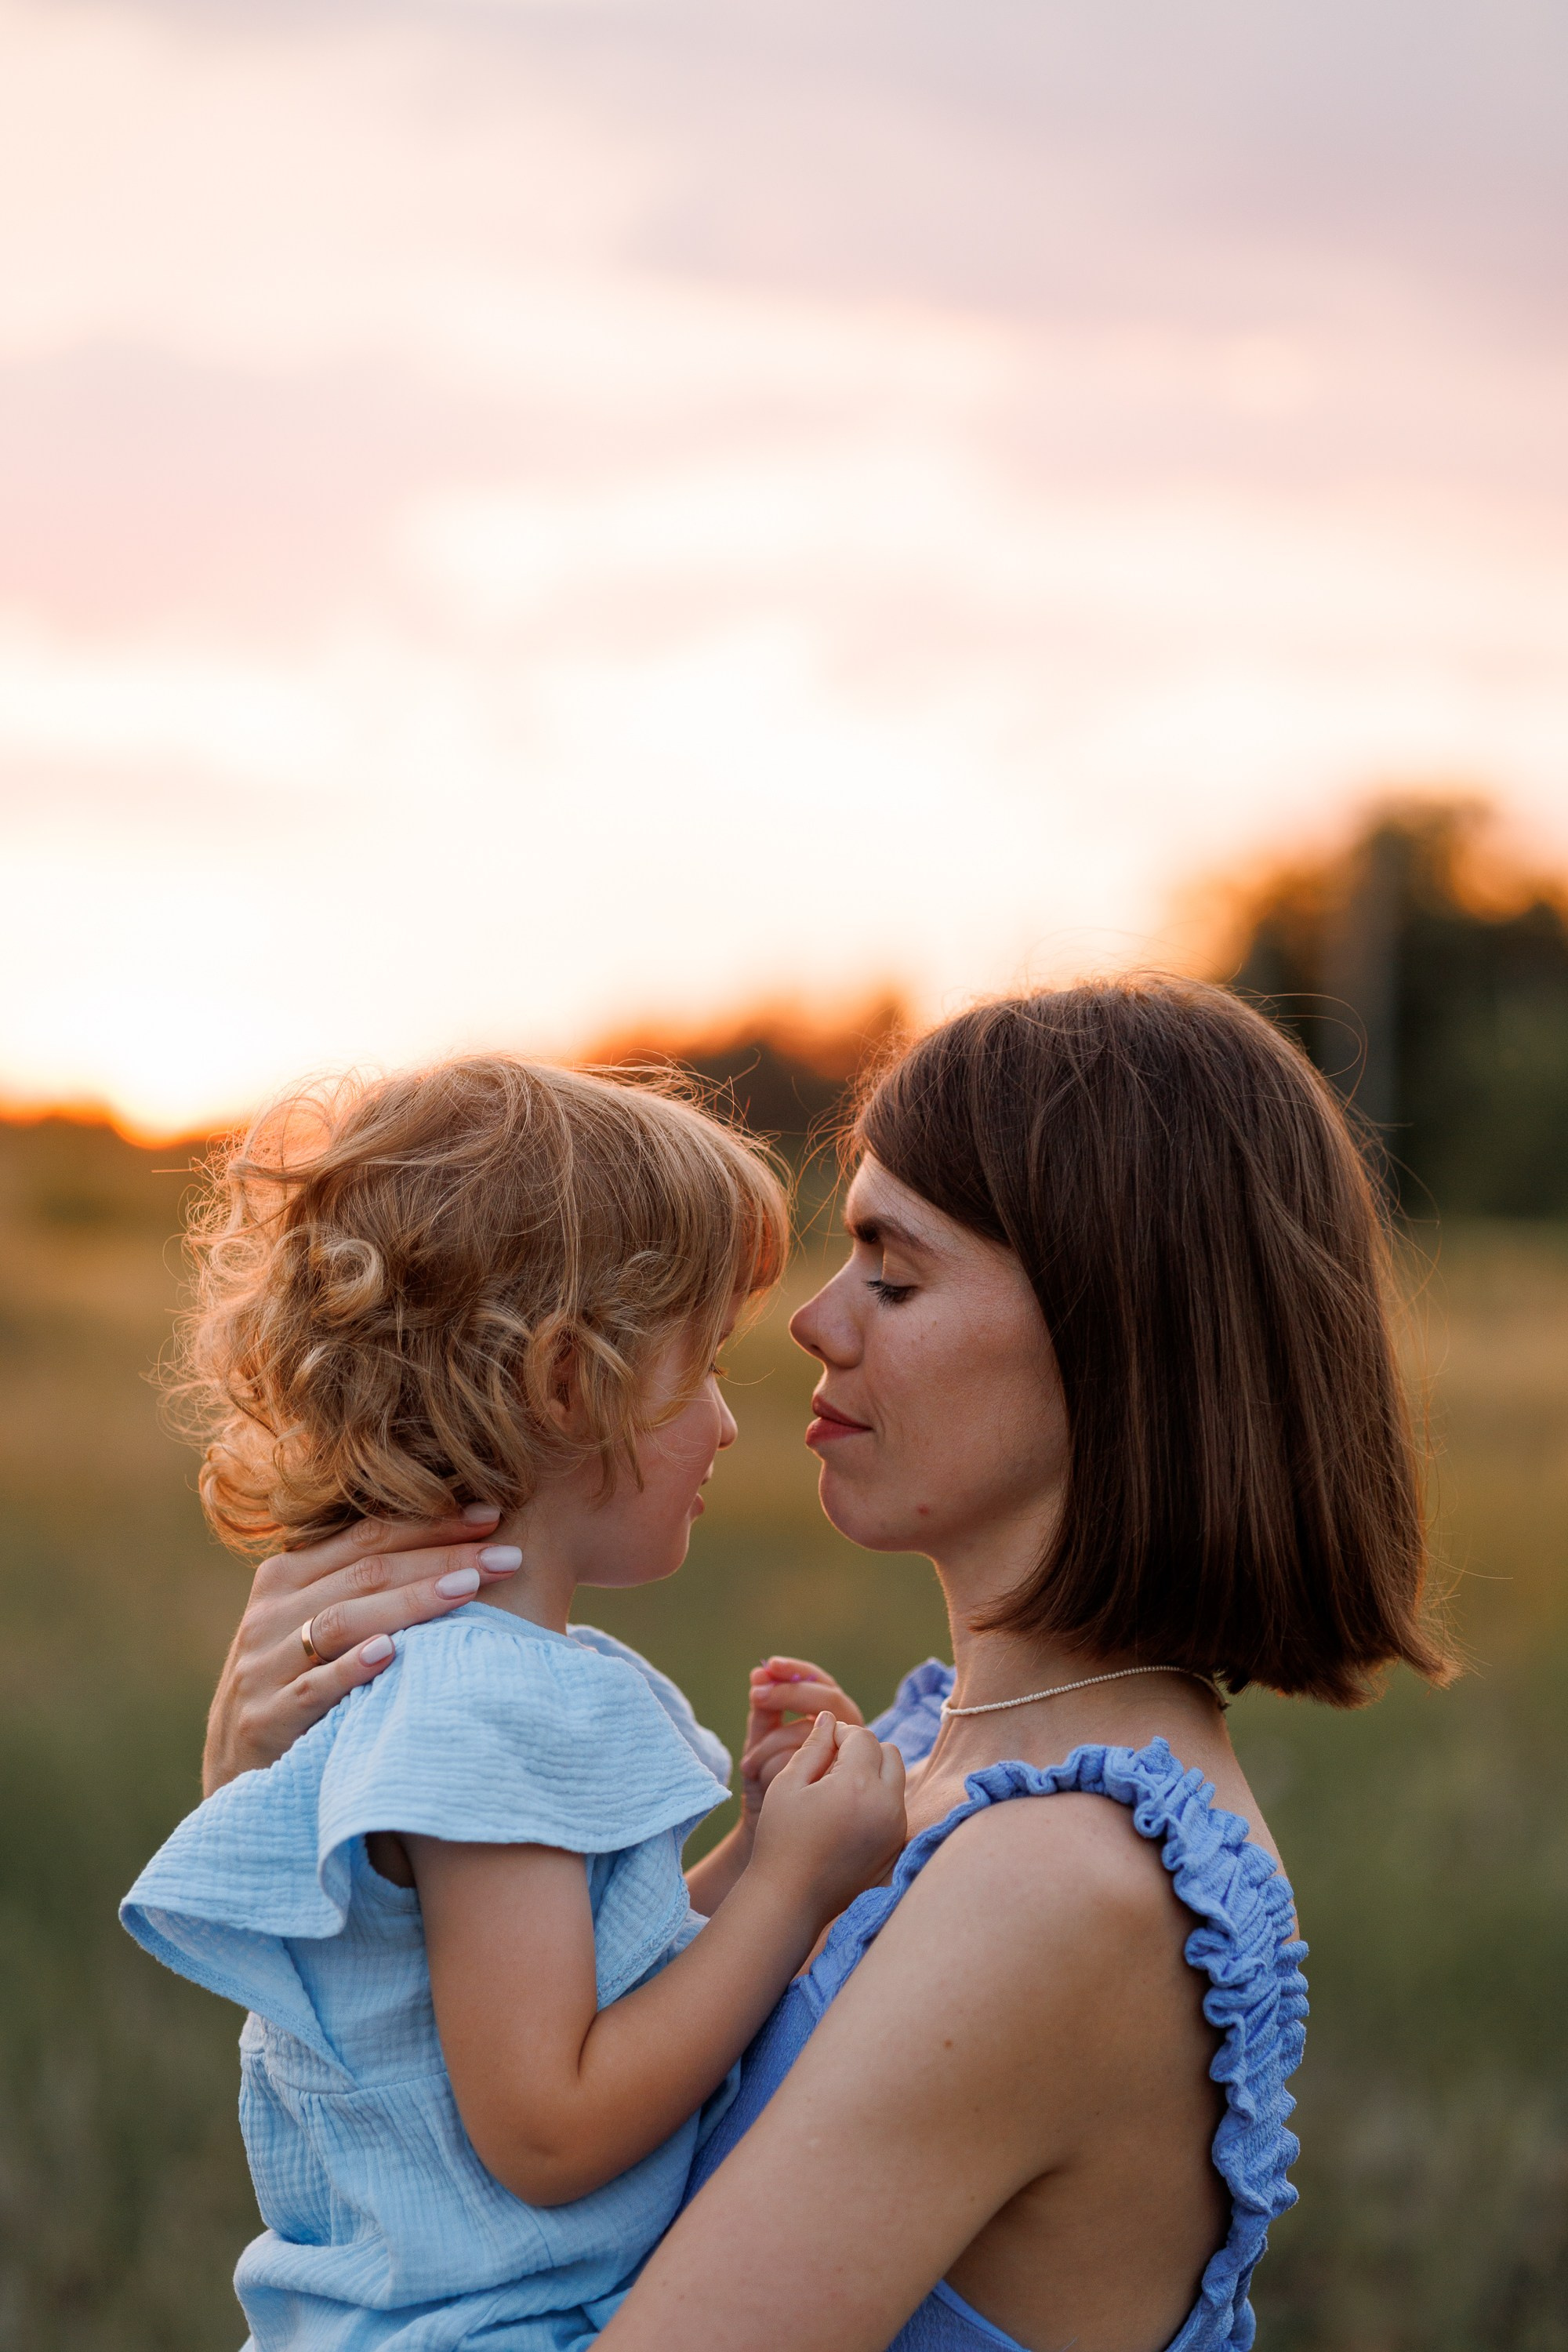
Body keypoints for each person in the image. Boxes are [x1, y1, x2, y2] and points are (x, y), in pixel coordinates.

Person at [194, 981, 1454, 2352]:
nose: (811, 1321)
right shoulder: (933, 1763)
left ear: (1119, 1334)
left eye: (894, 1274)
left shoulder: (1061, 1883)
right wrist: (286, 1795)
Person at [121, 1057, 907, 2352]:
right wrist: (792, 1896)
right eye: (702, 1366)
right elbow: (549, 2127)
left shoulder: (469, 1683)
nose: (725, 1425)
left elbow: (589, 1974)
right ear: (564, 1384)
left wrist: (761, 1844)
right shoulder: (486, 1705)